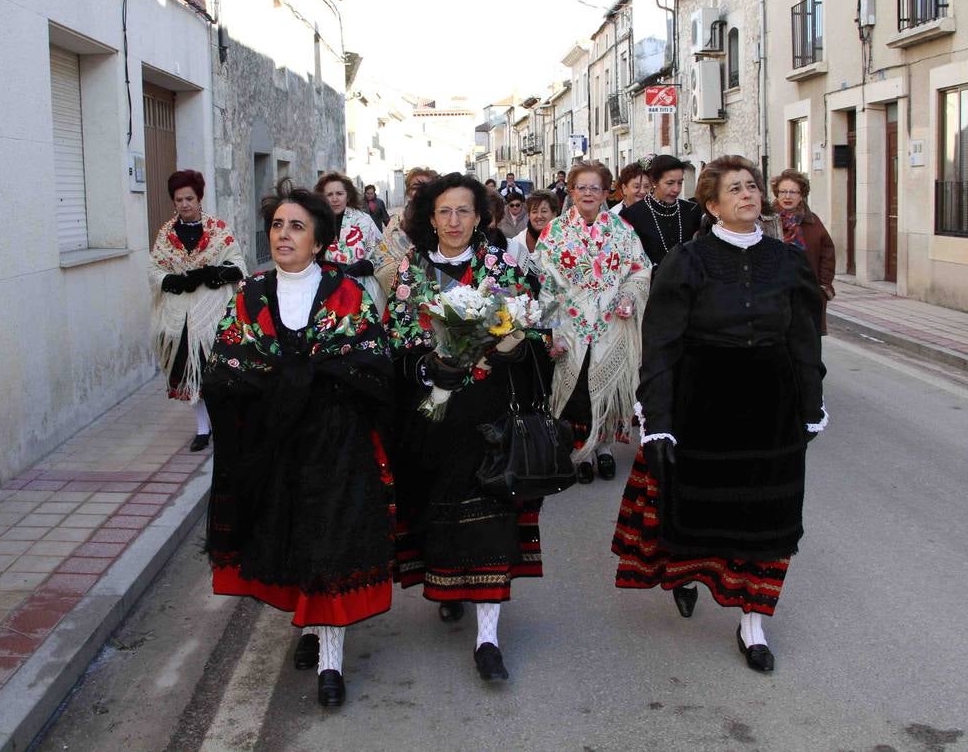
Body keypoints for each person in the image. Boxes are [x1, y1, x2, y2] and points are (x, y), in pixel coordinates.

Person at [613, 155, 826, 674]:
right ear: (711, 204)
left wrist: (811, 402)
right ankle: (685, 575)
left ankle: (753, 624)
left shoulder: (788, 261)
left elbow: (803, 338)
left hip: (770, 406)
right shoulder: (686, 261)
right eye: (734, 189)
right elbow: (661, 344)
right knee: (700, 511)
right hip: (703, 403)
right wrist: (657, 418)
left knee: (769, 517)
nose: (748, 194)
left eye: (752, 186)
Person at [203, 183, 393, 708]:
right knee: (295, 541)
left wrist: (319, 377)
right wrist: (274, 383)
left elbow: (372, 361)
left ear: (319, 241)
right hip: (275, 444)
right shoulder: (250, 294)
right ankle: (310, 630)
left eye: (296, 227)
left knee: (330, 544)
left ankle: (332, 664)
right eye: (278, 226)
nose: (284, 235)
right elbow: (226, 367)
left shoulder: (346, 293)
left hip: (335, 440)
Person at [387, 173, 550, 682]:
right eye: (444, 212)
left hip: (489, 418)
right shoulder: (409, 273)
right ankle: (449, 588)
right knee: (439, 515)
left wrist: (518, 345)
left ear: (480, 216)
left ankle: (488, 639)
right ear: (430, 218)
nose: (454, 221)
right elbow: (393, 339)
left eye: (464, 211)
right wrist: (424, 366)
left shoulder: (502, 268)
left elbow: (533, 331)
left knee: (491, 522)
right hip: (431, 421)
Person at [534, 162, 651, 484]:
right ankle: (578, 453)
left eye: (595, 188)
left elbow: (640, 268)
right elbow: (543, 283)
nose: (588, 193)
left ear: (605, 192)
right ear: (571, 191)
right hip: (570, 326)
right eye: (581, 187)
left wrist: (628, 296)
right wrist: (550, 332)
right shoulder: (554, 232)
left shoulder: (621, 230)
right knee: (576, 394)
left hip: (611, 322)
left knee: (609, 387)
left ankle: (604, 448)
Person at [148, 170, 248, 451]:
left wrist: (214, 273)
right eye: (179, 199)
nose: (184, 204)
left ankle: (223, 424)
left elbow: (238, 264)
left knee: (216, 373)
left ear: (199, 198)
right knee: (191, 374)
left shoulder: (218, 230)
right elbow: (155, 267)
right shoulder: (166, 234)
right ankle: (203, 429)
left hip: (212, 314)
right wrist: (171, 280)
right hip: (180, 319)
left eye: (189, 198)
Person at [772, 169, 836, 334]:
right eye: (783, 191)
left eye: (793, 192)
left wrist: (823, 286)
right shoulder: (765, 220)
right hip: (773, 295)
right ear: (776, 194)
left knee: (808, 345)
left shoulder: (812, 221)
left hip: (807, 294)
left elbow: (827, 254)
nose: (787, 196)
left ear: (802, 195)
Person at [315, 172, 386, 312]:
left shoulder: (364, 220)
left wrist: (368, 265)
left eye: (339, 193)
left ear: (348, 196)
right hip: (326, 289)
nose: (335, 199)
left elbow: (383, 252)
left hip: (363, 289)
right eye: (329, 195)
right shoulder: (315, 223)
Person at [620, 154, 703, 267]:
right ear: (654, 182)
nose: (676, 189)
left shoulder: (692, 210)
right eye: (670, 183)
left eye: (680, 183)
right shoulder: (631, 215)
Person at [376, 167, 437, 292]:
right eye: (415, 186)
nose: (421, 190)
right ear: (408, 192)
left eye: (426, 186)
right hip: (399, 286)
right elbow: (382, 255)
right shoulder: (397, 220)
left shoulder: (442, 218)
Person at [507, 190, 557, 292]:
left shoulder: (565, 242)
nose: (539, 216)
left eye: (544, 211)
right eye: (534, 211)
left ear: (554, 214)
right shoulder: (516, 243)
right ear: (529, 215)